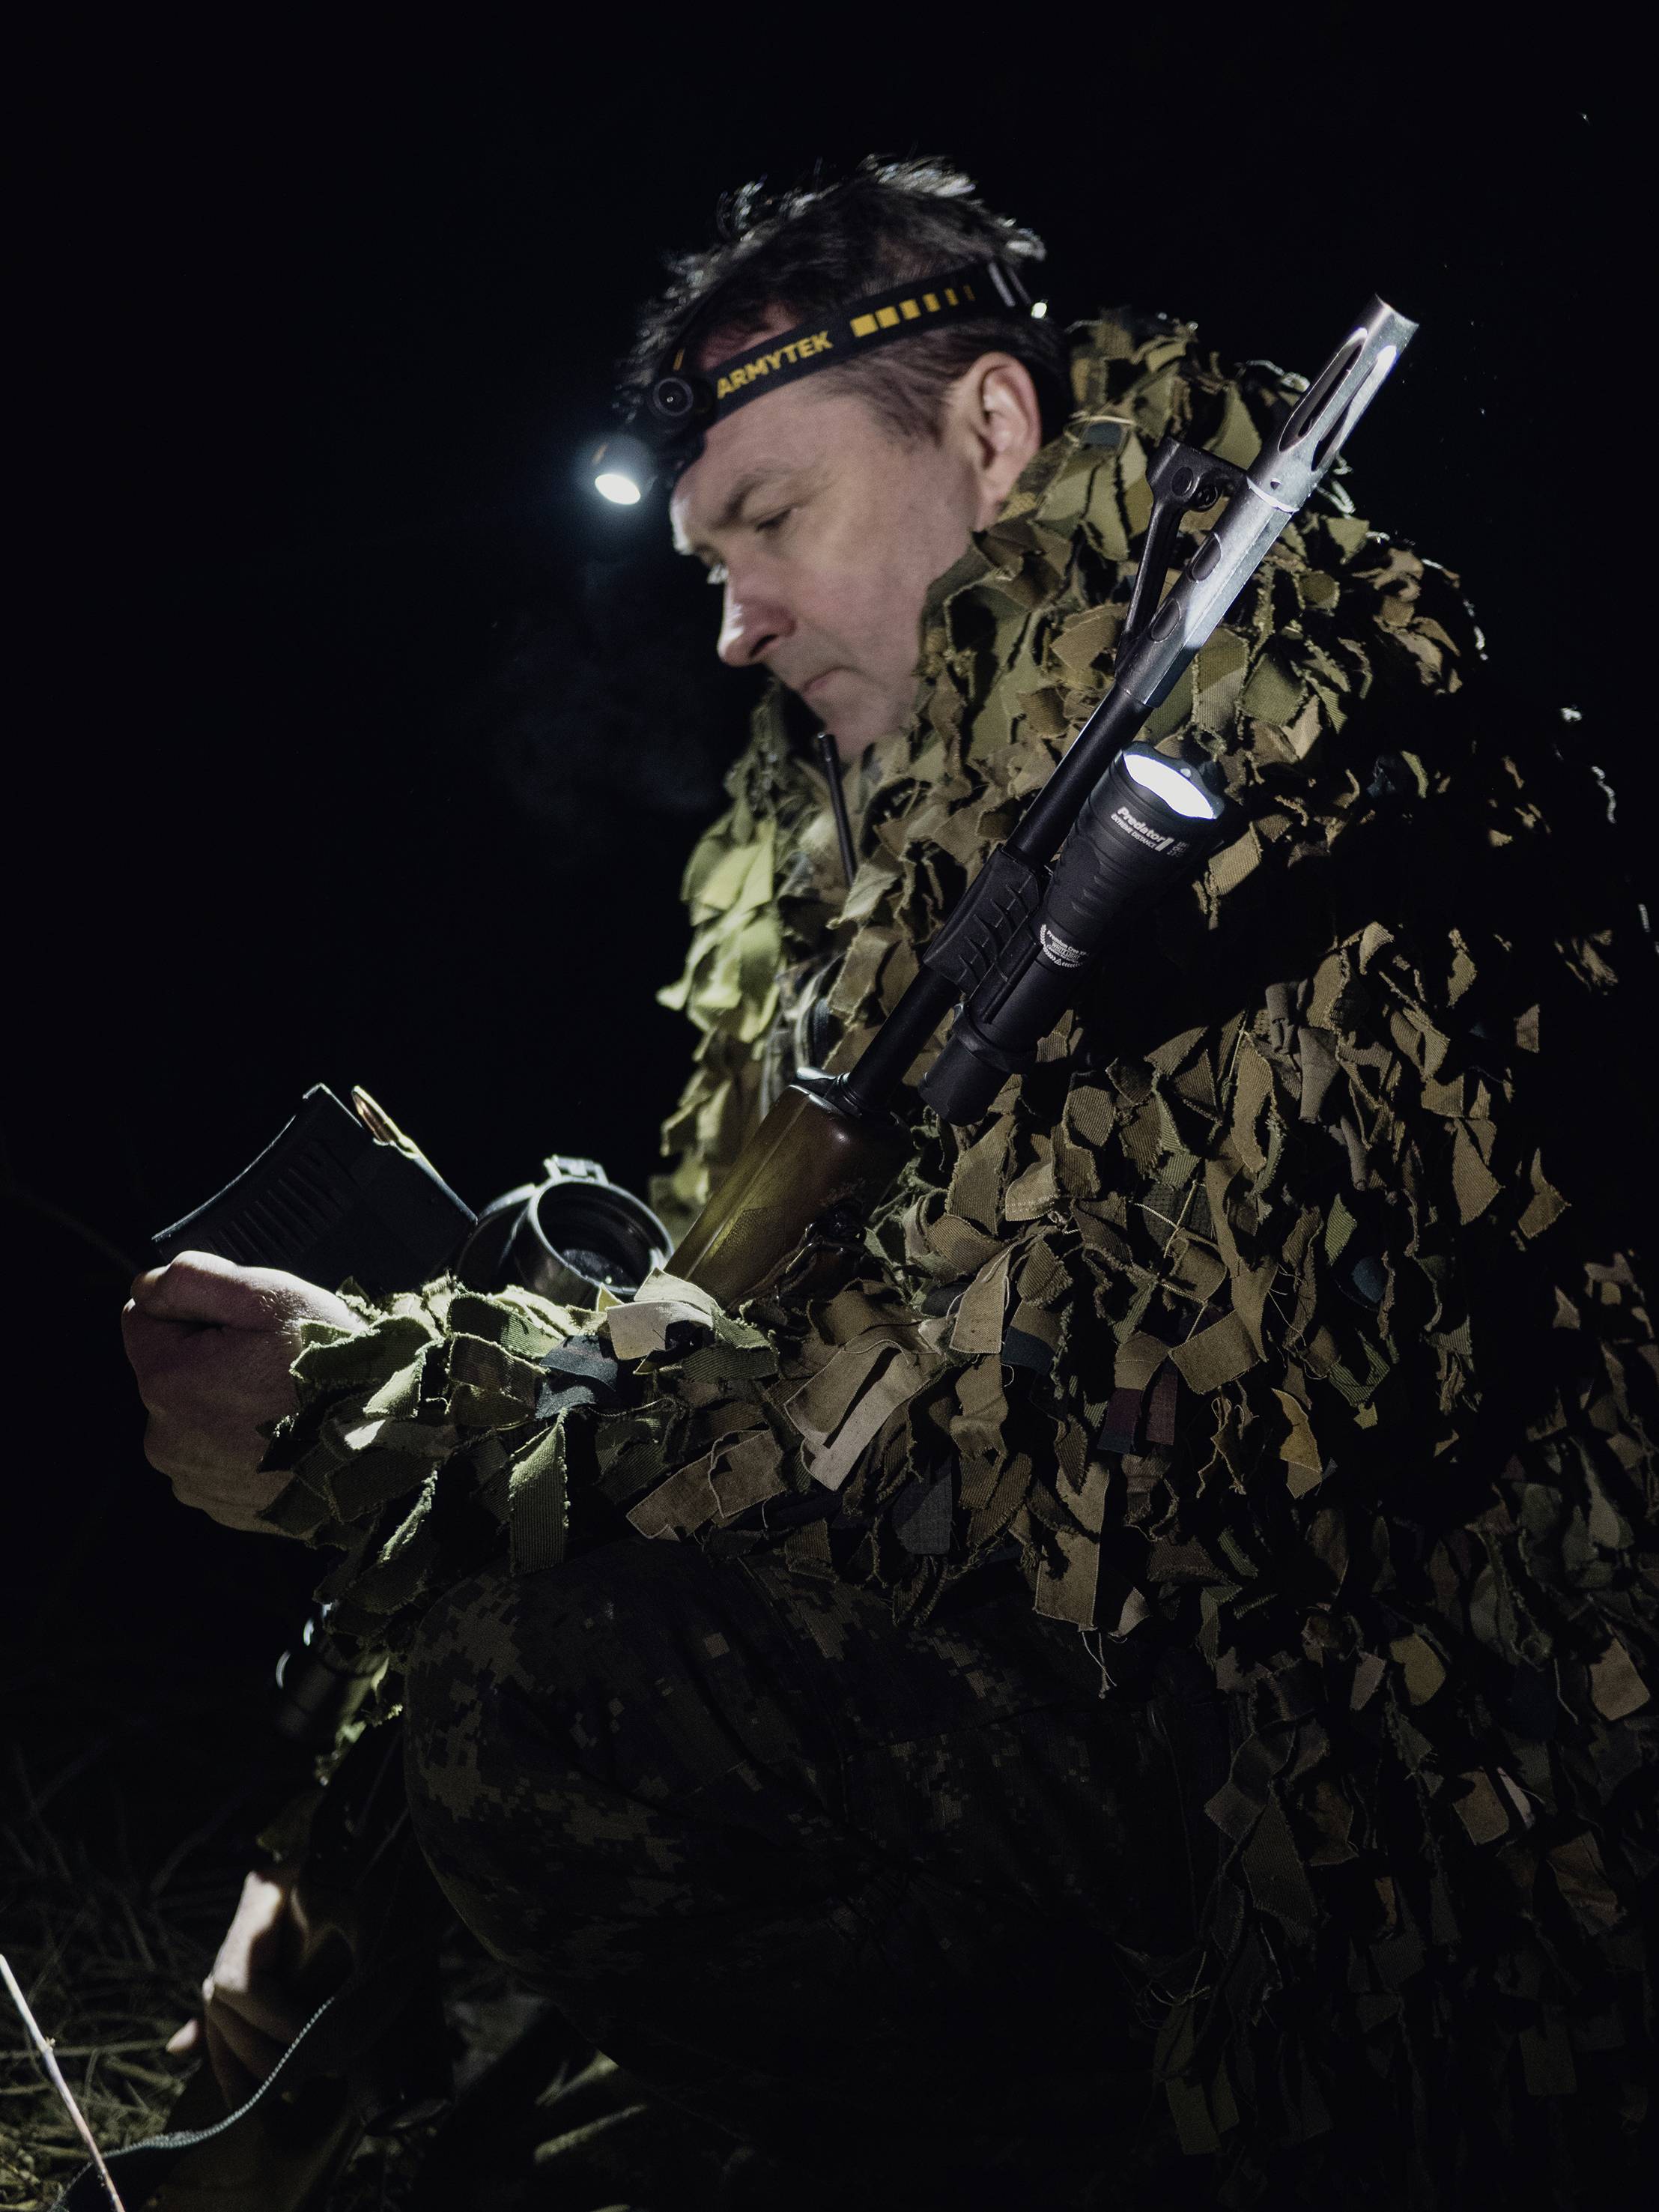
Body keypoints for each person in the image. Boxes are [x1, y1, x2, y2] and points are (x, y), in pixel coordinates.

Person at [123, 158, 1655, 2208]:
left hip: (1340, 1846)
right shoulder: (879, 802)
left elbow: (941, 1477)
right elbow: (716, 1323)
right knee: (535, 1267)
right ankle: (302, 2027)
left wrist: (368, 1414)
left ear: (993, 433)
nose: (734, 619)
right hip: (1071, 1699)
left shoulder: (1264, 764)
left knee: (538, 1699)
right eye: (702, 556)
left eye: (773, 519)